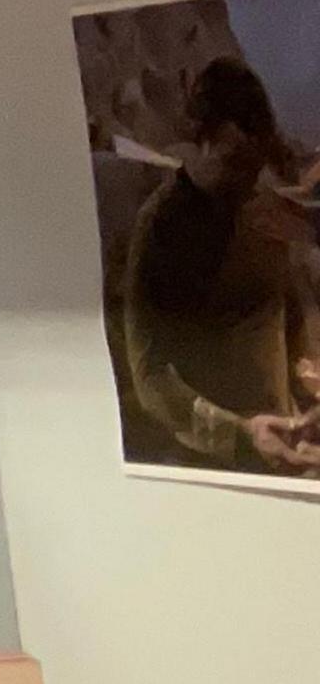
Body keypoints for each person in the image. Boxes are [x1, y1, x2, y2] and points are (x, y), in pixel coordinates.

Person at [114, 56, 320, 476]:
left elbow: (287, 312)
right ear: (200, 141)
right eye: (235, 162)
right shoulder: (161, 228)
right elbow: (150, 377)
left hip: (288, 459)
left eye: (255, 165)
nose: (248, 180)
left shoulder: (258, 208)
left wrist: (309, 383)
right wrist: (239, 434)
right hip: (217, 471)